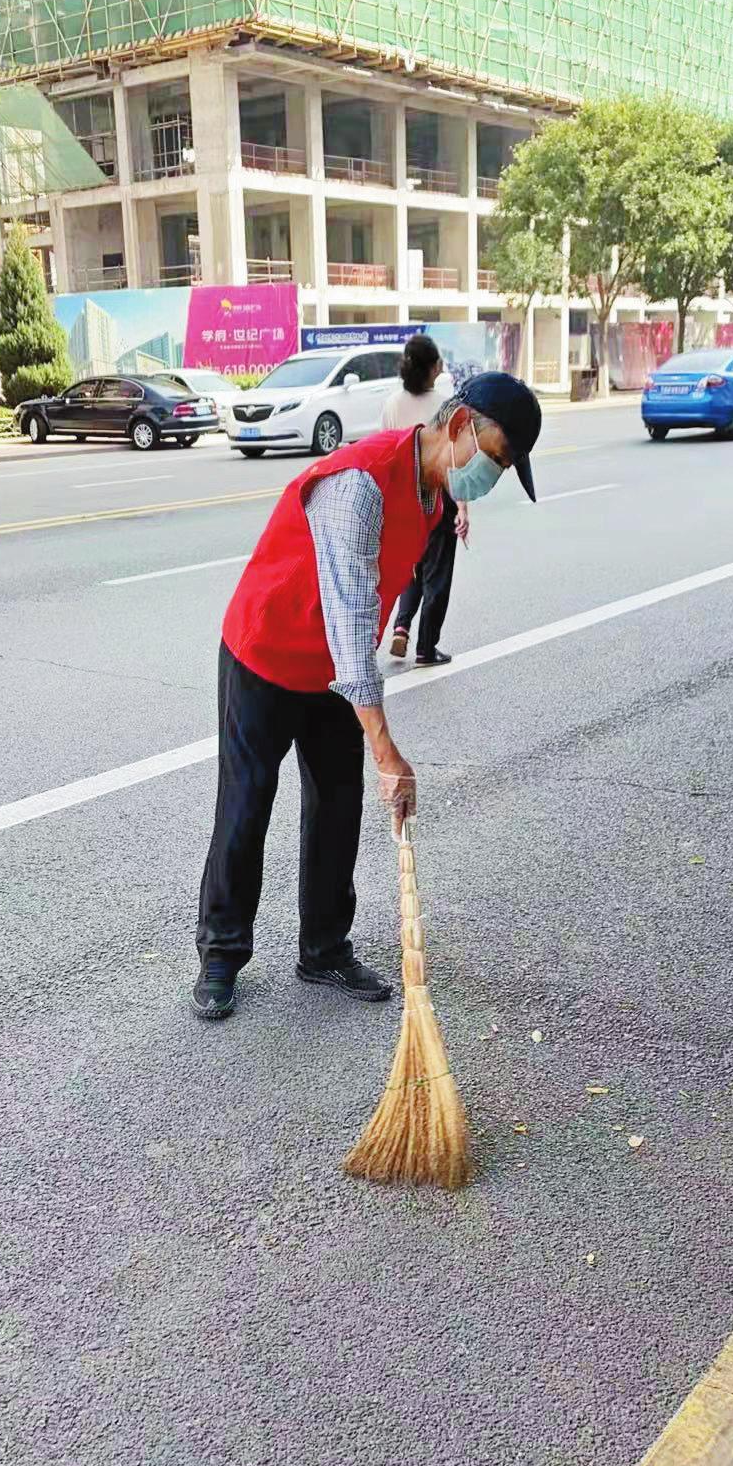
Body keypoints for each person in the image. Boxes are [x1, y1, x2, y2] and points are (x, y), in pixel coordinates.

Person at [193, 372, 542, 1021]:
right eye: (495, 458)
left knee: (338, 806)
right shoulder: (358, 484)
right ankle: (221, 955)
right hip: (266, 650)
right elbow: (353, 622)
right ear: (459, 426)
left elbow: (366, 618)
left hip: (333, 670)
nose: (491, 476)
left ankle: (324, 948)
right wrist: (387, 751)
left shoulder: (432, 490)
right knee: (245, 805)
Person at [382, 336, 467, 668]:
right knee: (437, 574)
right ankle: (426, 648)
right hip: (438, 495)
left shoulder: (392, 405)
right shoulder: (447, 406)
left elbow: (387, 453)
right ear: (434, 367)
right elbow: (455, 462)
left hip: (405, 496)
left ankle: (402, 625)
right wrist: (463, 507)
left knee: (412, 565)